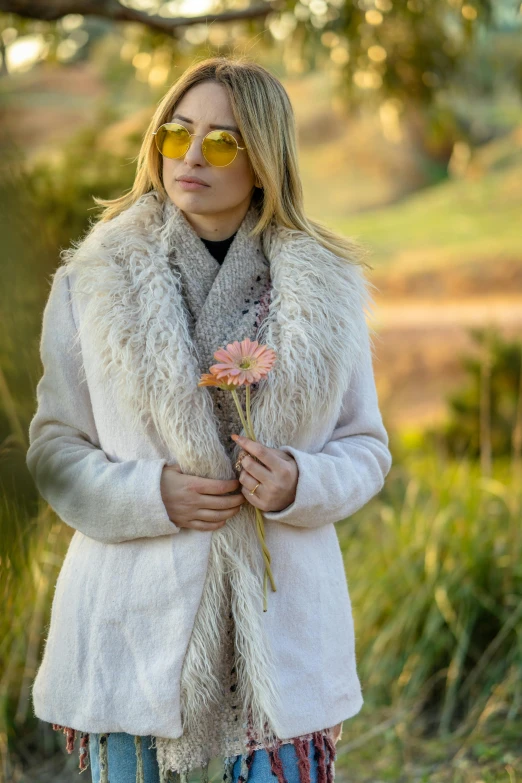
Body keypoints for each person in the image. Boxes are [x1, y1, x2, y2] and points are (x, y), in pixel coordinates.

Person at [26, 56, 392, 783]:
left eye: (223, 142)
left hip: (279, 632)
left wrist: (299, 479)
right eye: (176, 133)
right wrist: (149, 494)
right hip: (132, 620)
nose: (191, 157)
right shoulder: (89, 281)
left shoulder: (328, 290)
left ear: (263, 160)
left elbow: (367, 447)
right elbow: (54, 447)